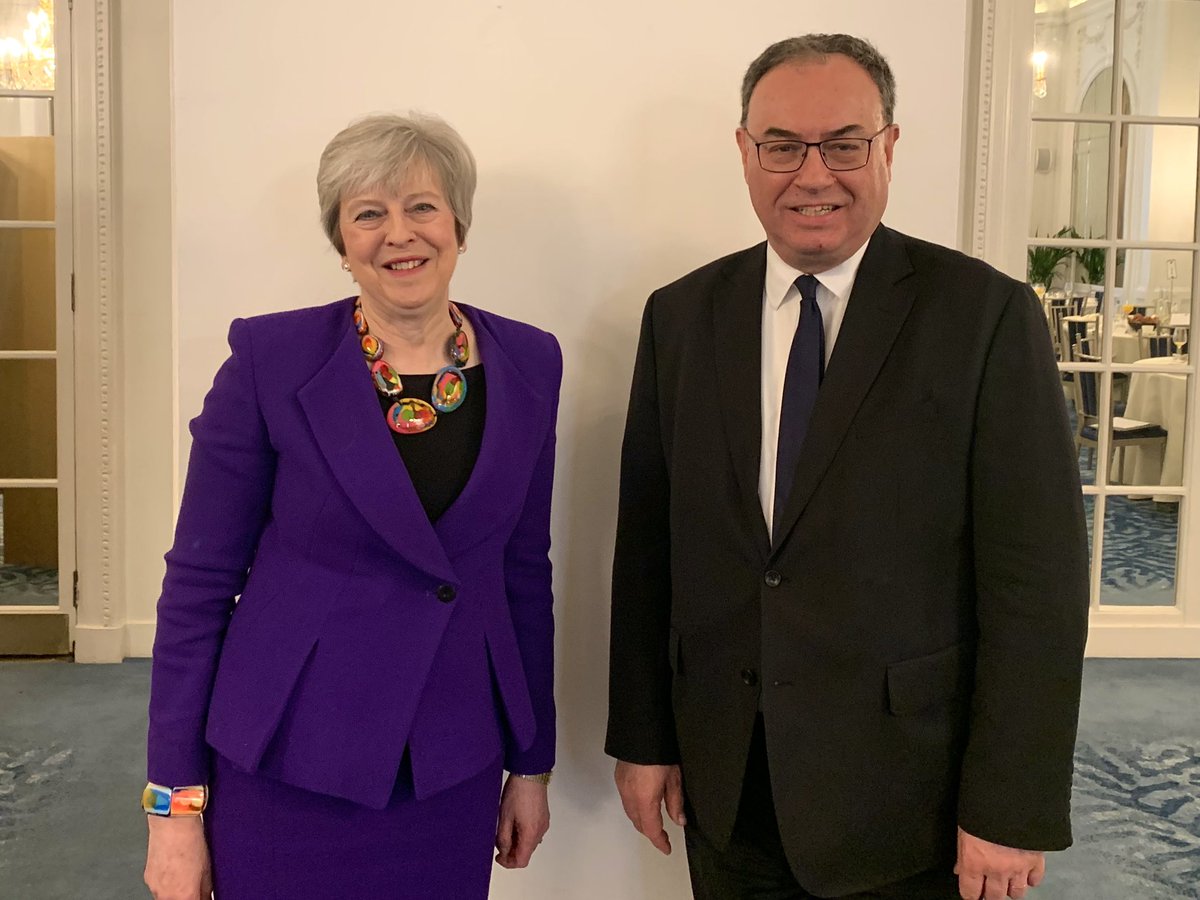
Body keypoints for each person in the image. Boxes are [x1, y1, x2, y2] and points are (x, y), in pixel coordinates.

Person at [606, 34, 1089, 900]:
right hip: (729, 780)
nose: (813, 174)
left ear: (889, 147)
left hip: (908, 801)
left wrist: (1012, 805)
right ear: (746, 153)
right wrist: (644, 738)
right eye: (784, 146)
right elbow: (649, 548)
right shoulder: (680, 317)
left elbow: (1036, 585)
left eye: (844, 144)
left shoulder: (984, 318)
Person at [143, 113, 562, 900]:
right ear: (342, 242)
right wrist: (173, 810)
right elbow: (196, 590)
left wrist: (530, 761)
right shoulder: (272, 360)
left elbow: (521, 574)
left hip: (450, 764)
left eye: (421, 207)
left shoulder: (530, 360)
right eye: (368, 213)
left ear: (460, 224)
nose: (398, 234)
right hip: (291, 760)